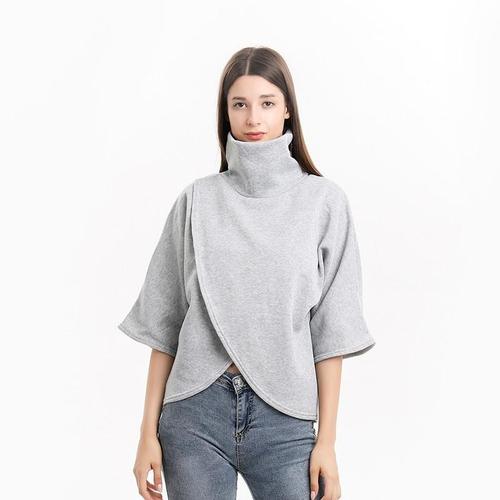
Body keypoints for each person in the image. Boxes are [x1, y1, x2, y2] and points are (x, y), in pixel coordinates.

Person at [118, 46, 376, 500]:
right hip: (195, 414)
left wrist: (327, 443)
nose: (253, 118)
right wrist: (146, 435)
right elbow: (165, 327)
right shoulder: (196, 201)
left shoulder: (324, 203)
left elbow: (330, 336)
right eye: (240, 104)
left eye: (267, 103)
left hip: (286, 419)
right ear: (226, 113)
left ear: (288, 109)